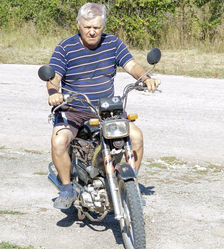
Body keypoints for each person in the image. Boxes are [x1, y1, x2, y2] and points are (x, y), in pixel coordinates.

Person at [46, 2, 160, 209]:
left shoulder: (113, 43)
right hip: (73, 109)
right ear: (79, 25)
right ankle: (66, 188)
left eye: (96, 28)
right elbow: (53, 76)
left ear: (103, 26)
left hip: (107, 110)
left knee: (136, 137)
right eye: (87, 27)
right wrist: (54, 93)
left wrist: (145, 77)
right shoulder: (65, 47)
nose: (92, 32)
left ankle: (129, 186)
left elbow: (131, 64)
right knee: (59, 141)